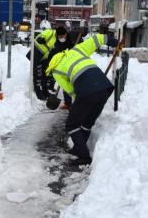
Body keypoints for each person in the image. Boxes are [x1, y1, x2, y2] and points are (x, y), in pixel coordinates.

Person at [45, 24, 117, 165]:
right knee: (86, 122)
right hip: (105, 87)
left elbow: (70, 90)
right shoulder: (76, 50)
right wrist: (112, 40)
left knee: (72, 124)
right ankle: (80, 148)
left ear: (51, 64)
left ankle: (84, 156)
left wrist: (76, 106)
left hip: (87, 90)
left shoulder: (56, 71)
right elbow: (96, 40)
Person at [29, 26, 66, 100]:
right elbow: (40, 36)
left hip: (44, 56)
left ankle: (45, 91)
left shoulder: (56, 39)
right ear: (59, 34)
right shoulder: (50, 32)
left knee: (45, 73)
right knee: (38, 74)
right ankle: (38, 93)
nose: (62, 38)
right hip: (36, 53)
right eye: (62, 36)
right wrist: (41, 39)